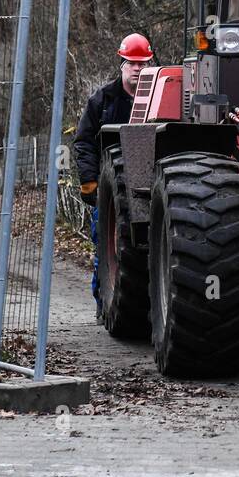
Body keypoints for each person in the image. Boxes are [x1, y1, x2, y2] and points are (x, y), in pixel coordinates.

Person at [73, 32, 155, 314]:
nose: (137, 68)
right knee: (106, 249)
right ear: (122, 64)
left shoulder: (160, 98)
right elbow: (84, 142)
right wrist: (89, 183)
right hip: (109, 193)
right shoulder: (103, 100)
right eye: (132, 63)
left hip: (148, 187)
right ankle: (103, 304)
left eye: (142, 63)